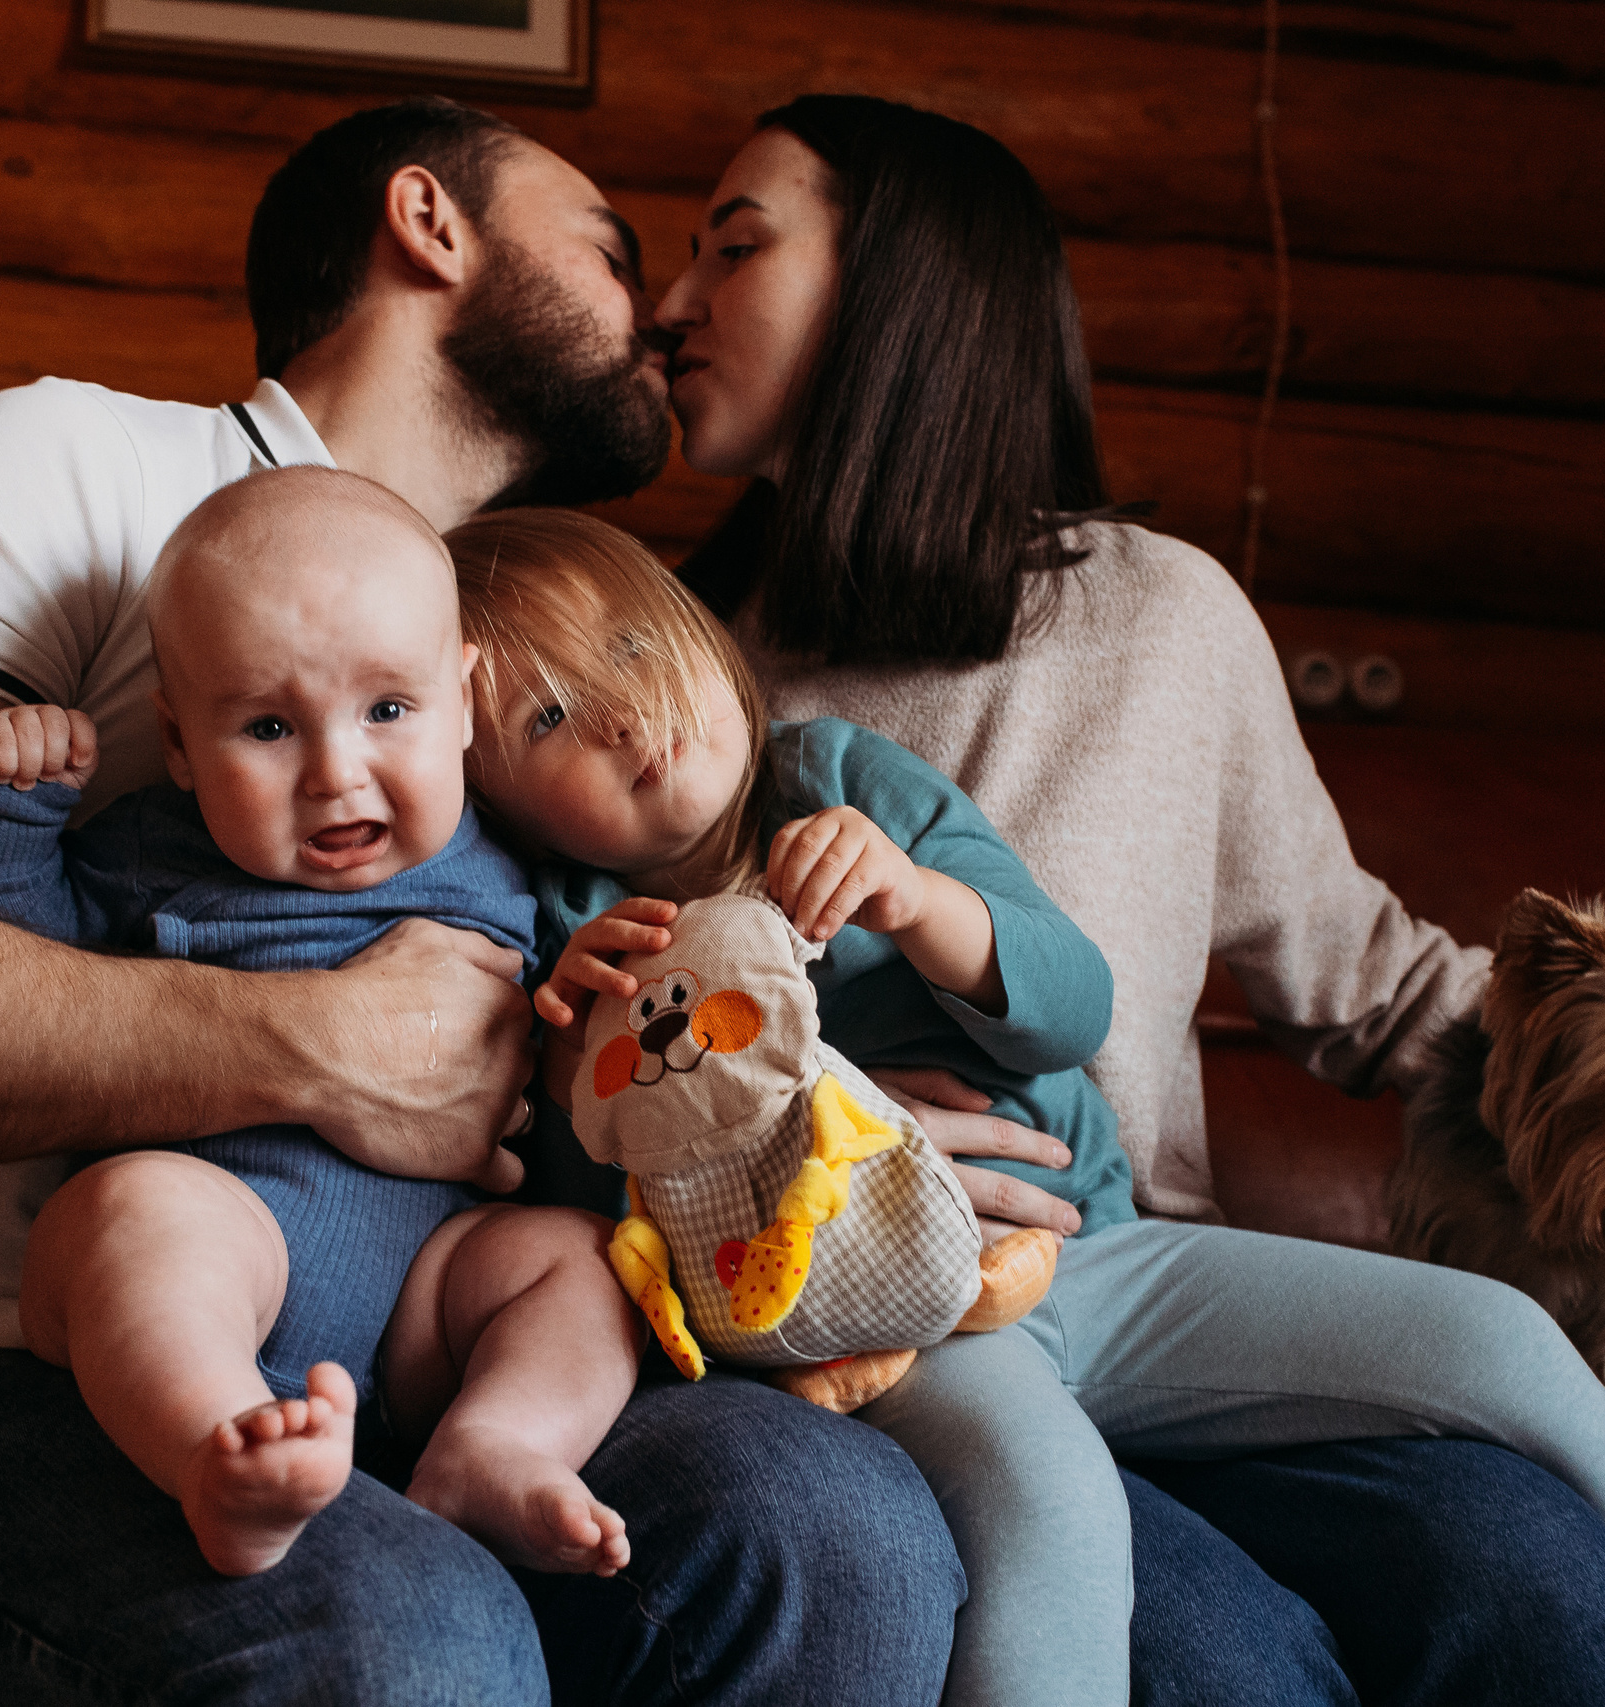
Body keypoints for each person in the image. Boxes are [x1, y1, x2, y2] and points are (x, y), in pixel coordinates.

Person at [0, 99, 962, 1705]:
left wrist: (813, 1113)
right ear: (432, 222)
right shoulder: (67, 466)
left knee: (842, 1532)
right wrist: (311, 1043)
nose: (666, 309)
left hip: (428, 1316)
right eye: (616, 250)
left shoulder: (523, 655)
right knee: (408, 1638)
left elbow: (611, 985)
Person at [651, 93, 1605, 1707]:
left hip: (1170, 1293)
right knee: (1227, 1665)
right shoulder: (672, 694)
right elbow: (640, 1039)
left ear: (905, 288)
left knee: (1559, 1593)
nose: (672, 303)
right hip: (907, 1334)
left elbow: (1377, 980)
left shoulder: (1159, 612)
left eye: (734, 246)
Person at [452, 506, 1139, 1704]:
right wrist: (571, 1073)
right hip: (904, 1324)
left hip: (1106, 1240)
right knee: (1053, 1512)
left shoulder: (837, 779)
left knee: (1491, 1348)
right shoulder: (580, 945)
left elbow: (1076, 1010)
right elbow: (624, 1244)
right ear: (494, 804)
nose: (624, 713)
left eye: (624, 645)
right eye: (545, 717)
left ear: (699, 634)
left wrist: (919, 902)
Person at [0, 469, 648, 1580]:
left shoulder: (514, 864)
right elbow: (9, 980)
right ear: (177, 743)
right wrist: (7, 817)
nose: (335, 771)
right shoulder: (150, 851)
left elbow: (569, 1049)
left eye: (389, 711)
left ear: (465, 701)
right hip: (223, 1250)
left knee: (584, 1261)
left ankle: (491, 1442)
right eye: (268, 726)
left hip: (430, 1291)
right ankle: (216, 1451)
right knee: (130, 1211)